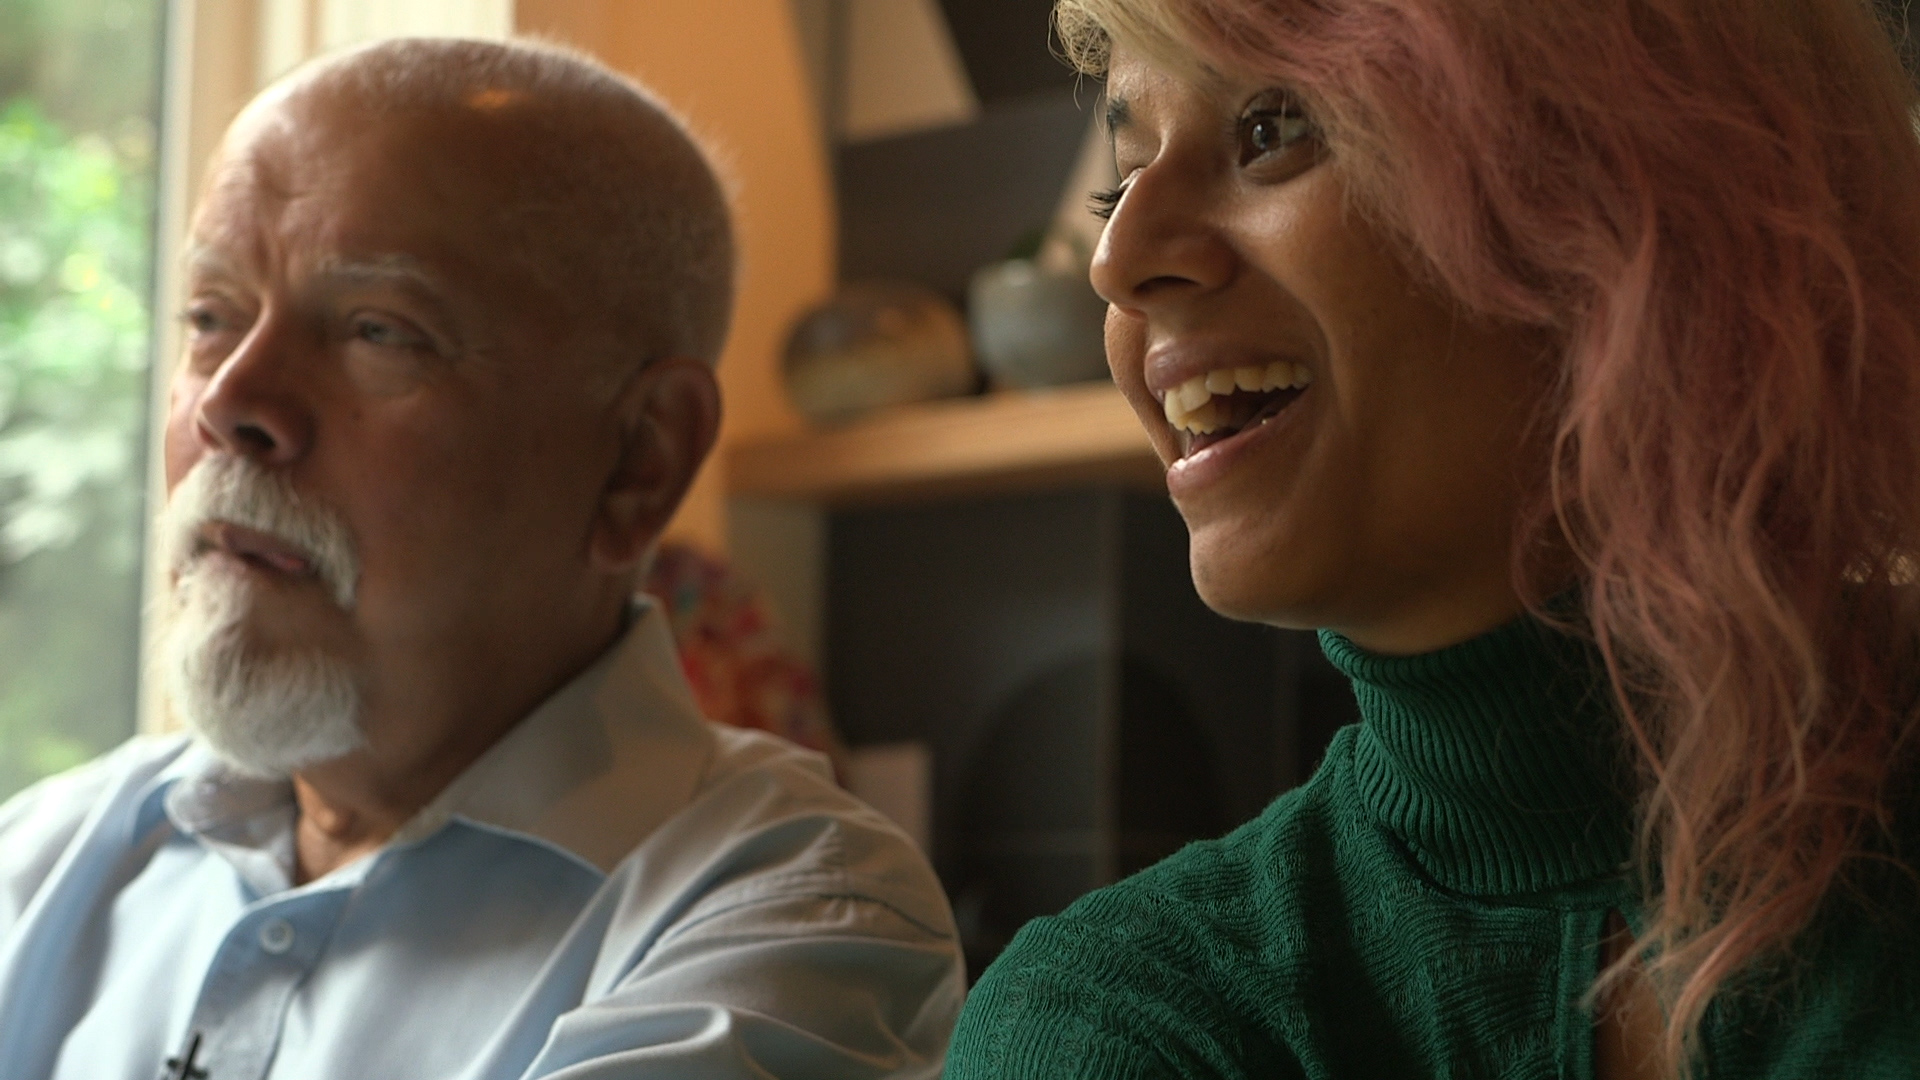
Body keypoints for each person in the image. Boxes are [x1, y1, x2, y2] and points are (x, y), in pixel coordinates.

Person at [946, 0, 1920, 1077]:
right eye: (1119, 180)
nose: (1116, 257)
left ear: (1632, 183)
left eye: (1273, 127)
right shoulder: (1113, 1019)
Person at [0, 37, 963, 1080]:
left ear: (638, 460)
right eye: (207, 318)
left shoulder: (791, 913)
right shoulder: (44, 860)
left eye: (377, 331)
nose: (233, 402)